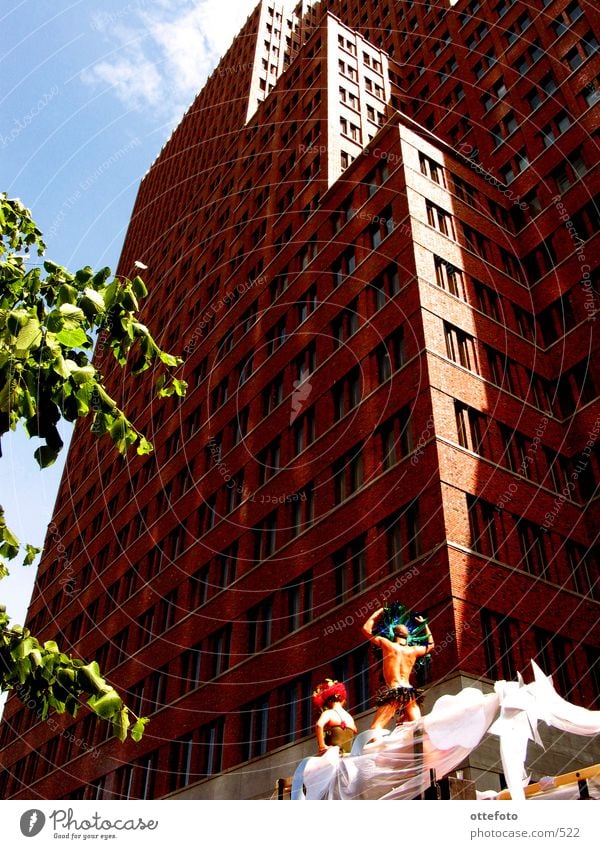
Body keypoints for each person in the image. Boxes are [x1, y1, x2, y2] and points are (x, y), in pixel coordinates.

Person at [362, 607, 434, 729]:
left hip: (395, 691)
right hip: (409, 692)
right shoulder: (413, 650)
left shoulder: (388, 645)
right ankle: (422, 746)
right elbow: (431, 645)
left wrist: (378, 612)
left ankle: (380, 748)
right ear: (408, 636)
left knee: (375, 728)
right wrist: (425, 625)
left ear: (393, 634)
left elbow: (366, 629)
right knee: (419, 727)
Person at [313, 679, 358, 755]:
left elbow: (319, 725)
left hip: (333, 756)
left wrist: (322, 746)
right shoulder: (349, 717)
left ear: (328, 702)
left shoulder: (328, 713)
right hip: (348, 756)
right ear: (343, 699)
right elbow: (355, 731)